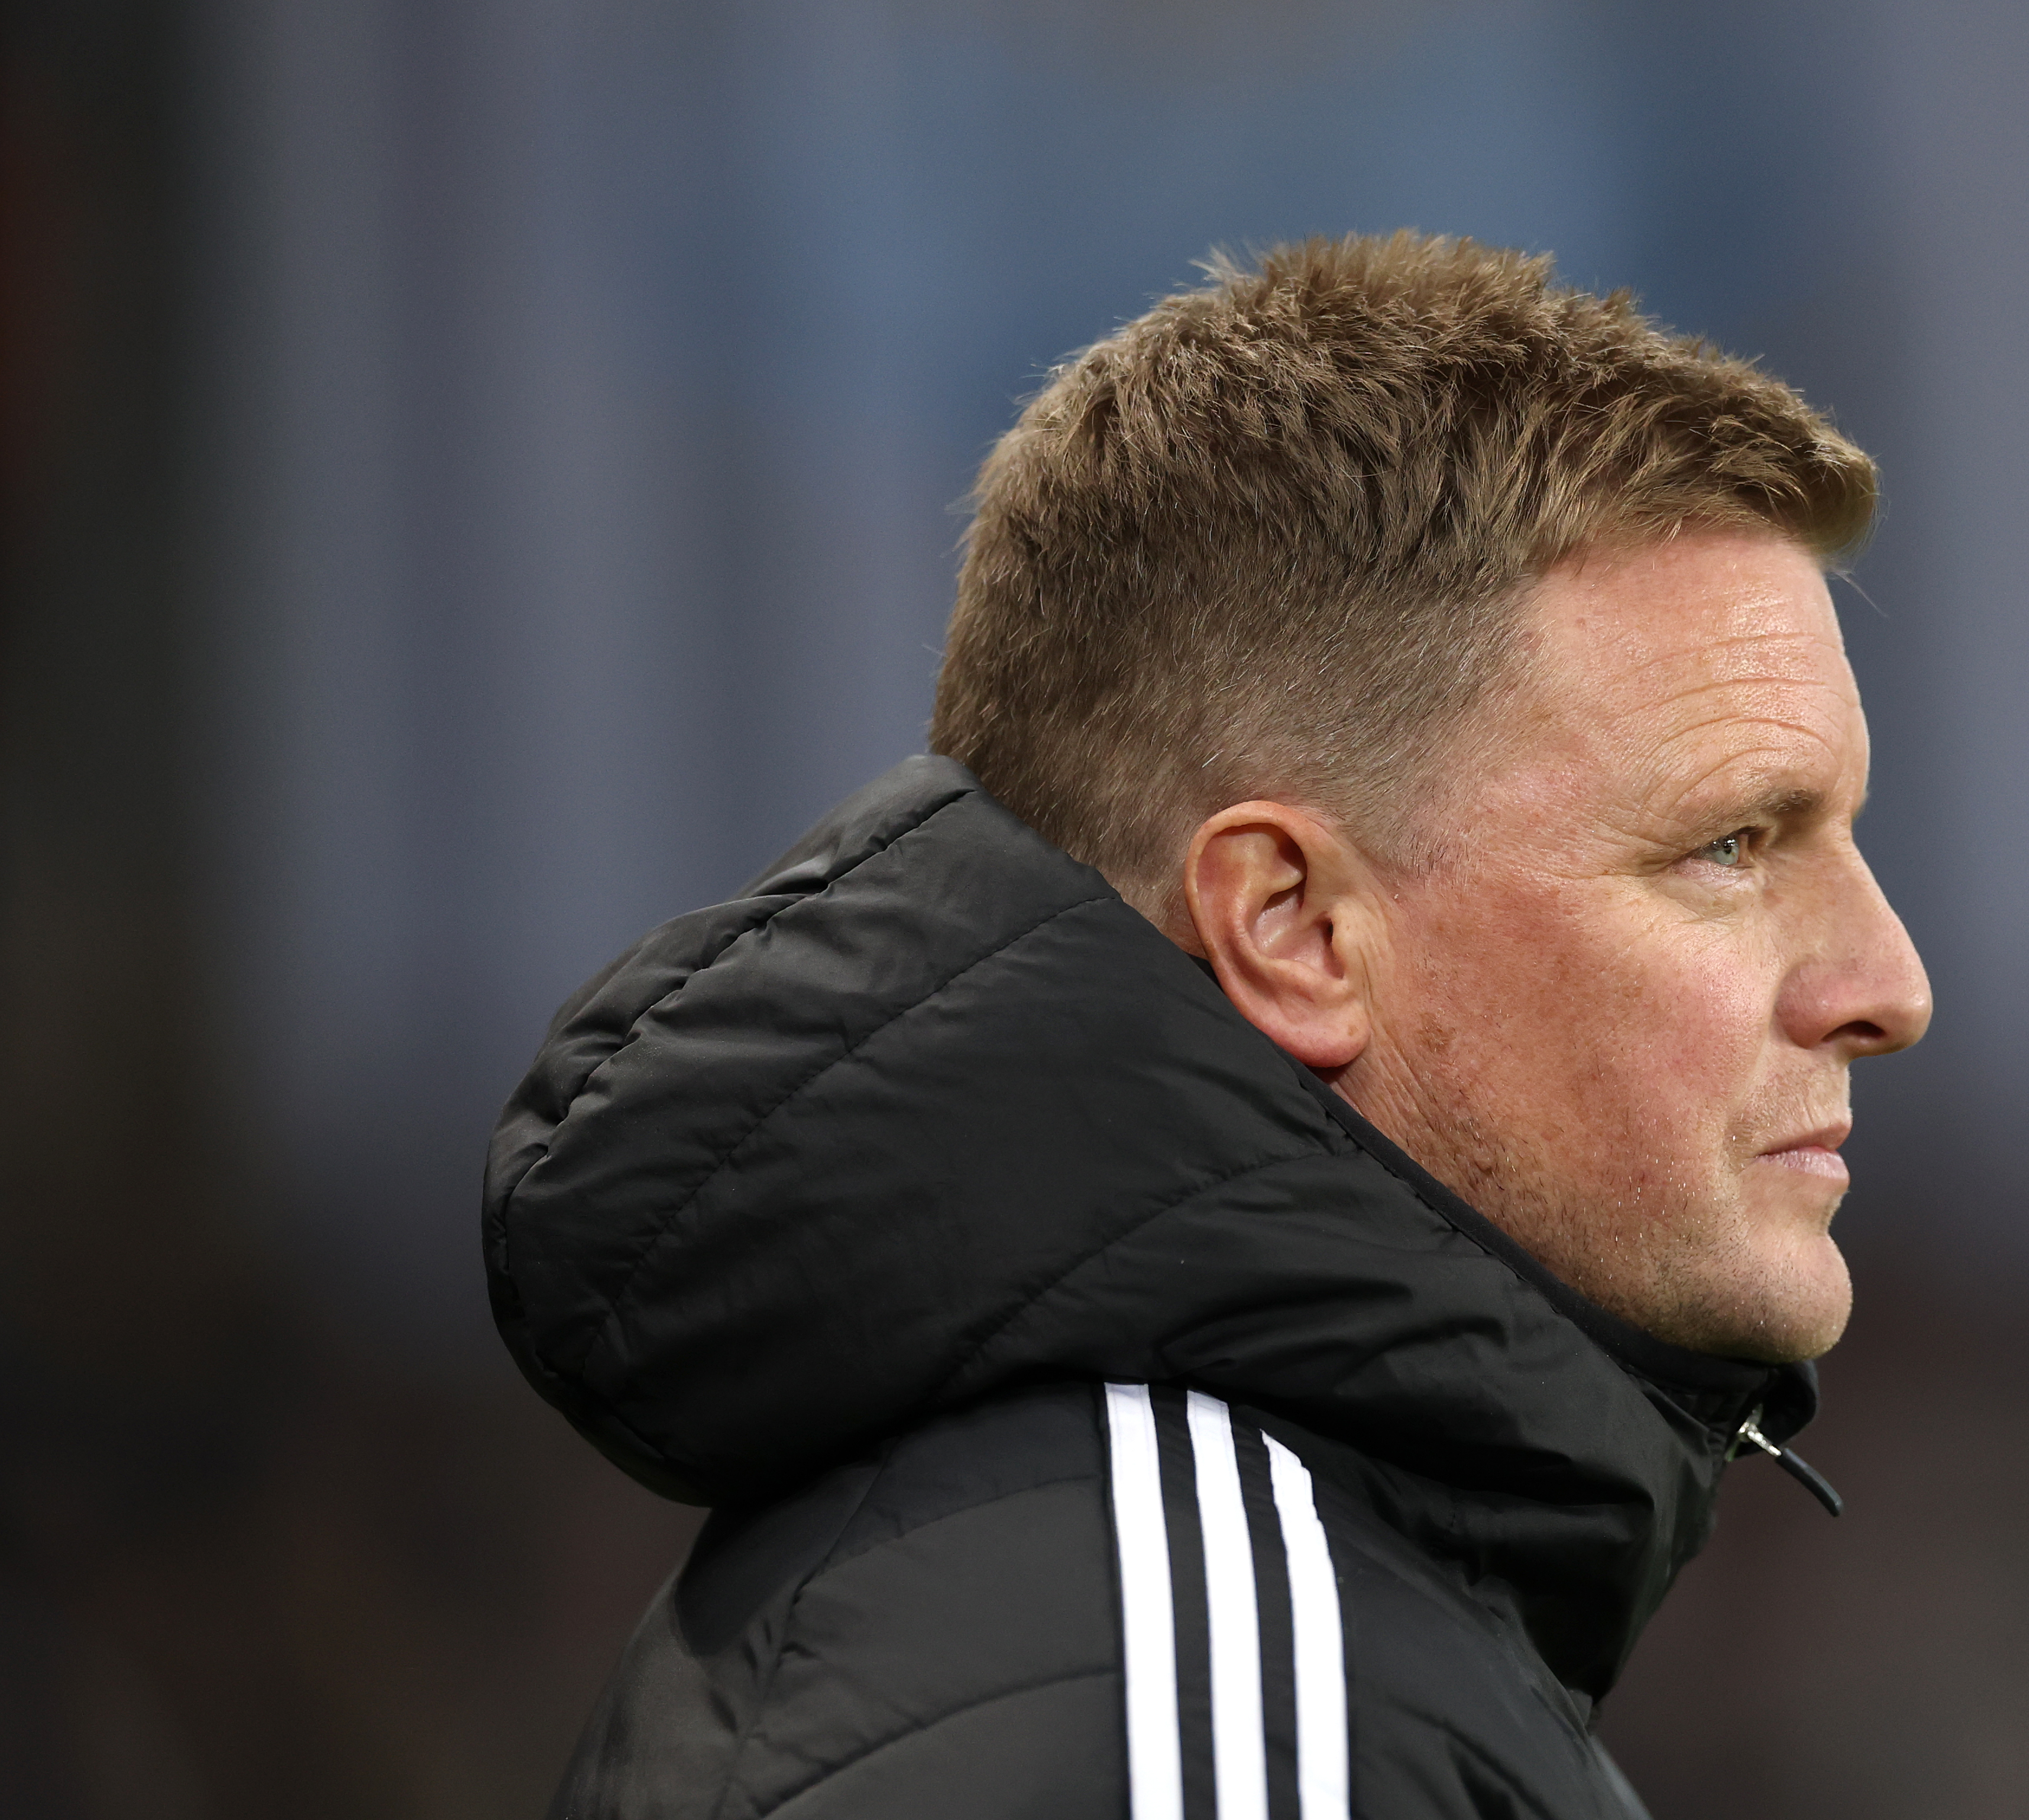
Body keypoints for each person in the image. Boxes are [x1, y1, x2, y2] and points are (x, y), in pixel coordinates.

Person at [486, 232, 1930, 1820]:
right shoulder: (1202, 1695)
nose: (1888, 985)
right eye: (1729, 845)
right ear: (1293, 928)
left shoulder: (1201, 1616)